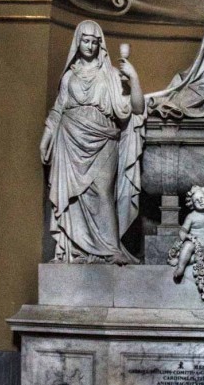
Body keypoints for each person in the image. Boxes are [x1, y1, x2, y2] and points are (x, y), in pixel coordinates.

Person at [40, 20, 145, 264]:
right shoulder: (69, 76)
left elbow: (136, 108)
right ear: (78, 42)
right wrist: (46, 138)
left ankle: (111, 248)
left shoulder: (110, 74)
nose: (89, 45)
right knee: (75, 198)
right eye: (85, 40)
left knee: (103, 191)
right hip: (70, 138)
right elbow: (58, 109)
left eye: (94, 41)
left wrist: (134, 78)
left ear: (101, 44)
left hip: (103, 138)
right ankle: (77, 249)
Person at [172, 186, 204, 282]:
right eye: (196, 201)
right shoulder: (191, 216)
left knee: (201, 257)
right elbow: (182, 231)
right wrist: (188, 236)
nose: (200, 201)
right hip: (193, 244)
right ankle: (180, 267)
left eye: (202, 198)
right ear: (192, 204)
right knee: (188, 245)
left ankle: (181, 260)